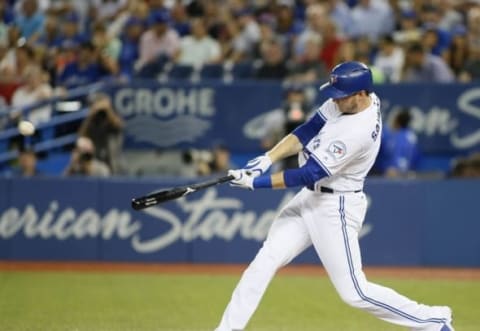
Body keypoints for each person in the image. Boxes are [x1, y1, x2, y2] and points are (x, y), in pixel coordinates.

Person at [216, 61, 454, 331]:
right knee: (263, 262)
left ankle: (433, 320)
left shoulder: (358, 131)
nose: (335, 101)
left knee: (355, 292)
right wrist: (266, 158)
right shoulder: (359, 98)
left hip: (335, 205)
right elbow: (307, 130)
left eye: (341, 96)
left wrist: (255, 183)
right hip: (310, 199)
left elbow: (308, 174)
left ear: (361, 94)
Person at [78, 92, 125, 175]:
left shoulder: (111, 118)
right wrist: (92, 112)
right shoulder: (92, 121)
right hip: (96, 160)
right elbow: (82, 134)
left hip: (113, 161)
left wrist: (107, 108)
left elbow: (118, 125)